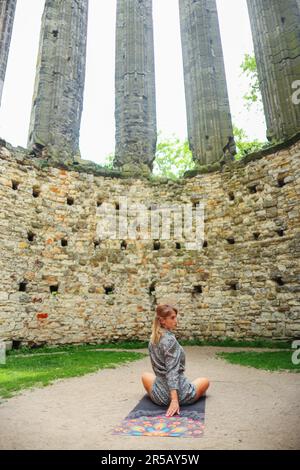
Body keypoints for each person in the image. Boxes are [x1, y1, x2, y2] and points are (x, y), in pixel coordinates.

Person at [141, 304, 210, 417]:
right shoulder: (170, 341)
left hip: (159, 397)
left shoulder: (153, 339)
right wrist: (174, 400)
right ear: (162, 321)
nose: (176, 320)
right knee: (205, 380)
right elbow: (172, 371)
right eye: (172, 318)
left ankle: (170, 394)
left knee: (145, 375)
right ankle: (177, 397)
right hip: (181, 395)